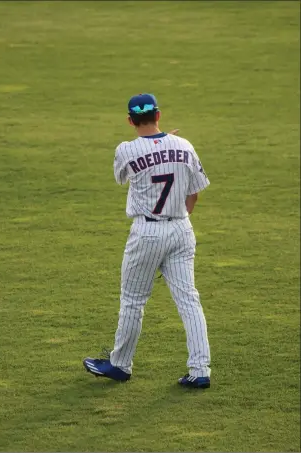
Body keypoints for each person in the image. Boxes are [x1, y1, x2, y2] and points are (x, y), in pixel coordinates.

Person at [83, 93, 211, 388]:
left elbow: (122, 176)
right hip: (181, 228)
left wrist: (158, 148)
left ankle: (120, 365)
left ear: (130, 120)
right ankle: (200, 369)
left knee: (132, 301)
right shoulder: (185, 146)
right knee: (189, 300)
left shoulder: (126, 150)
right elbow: (194, 191)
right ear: (159, 115)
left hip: (147, 232)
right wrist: (171, 146)